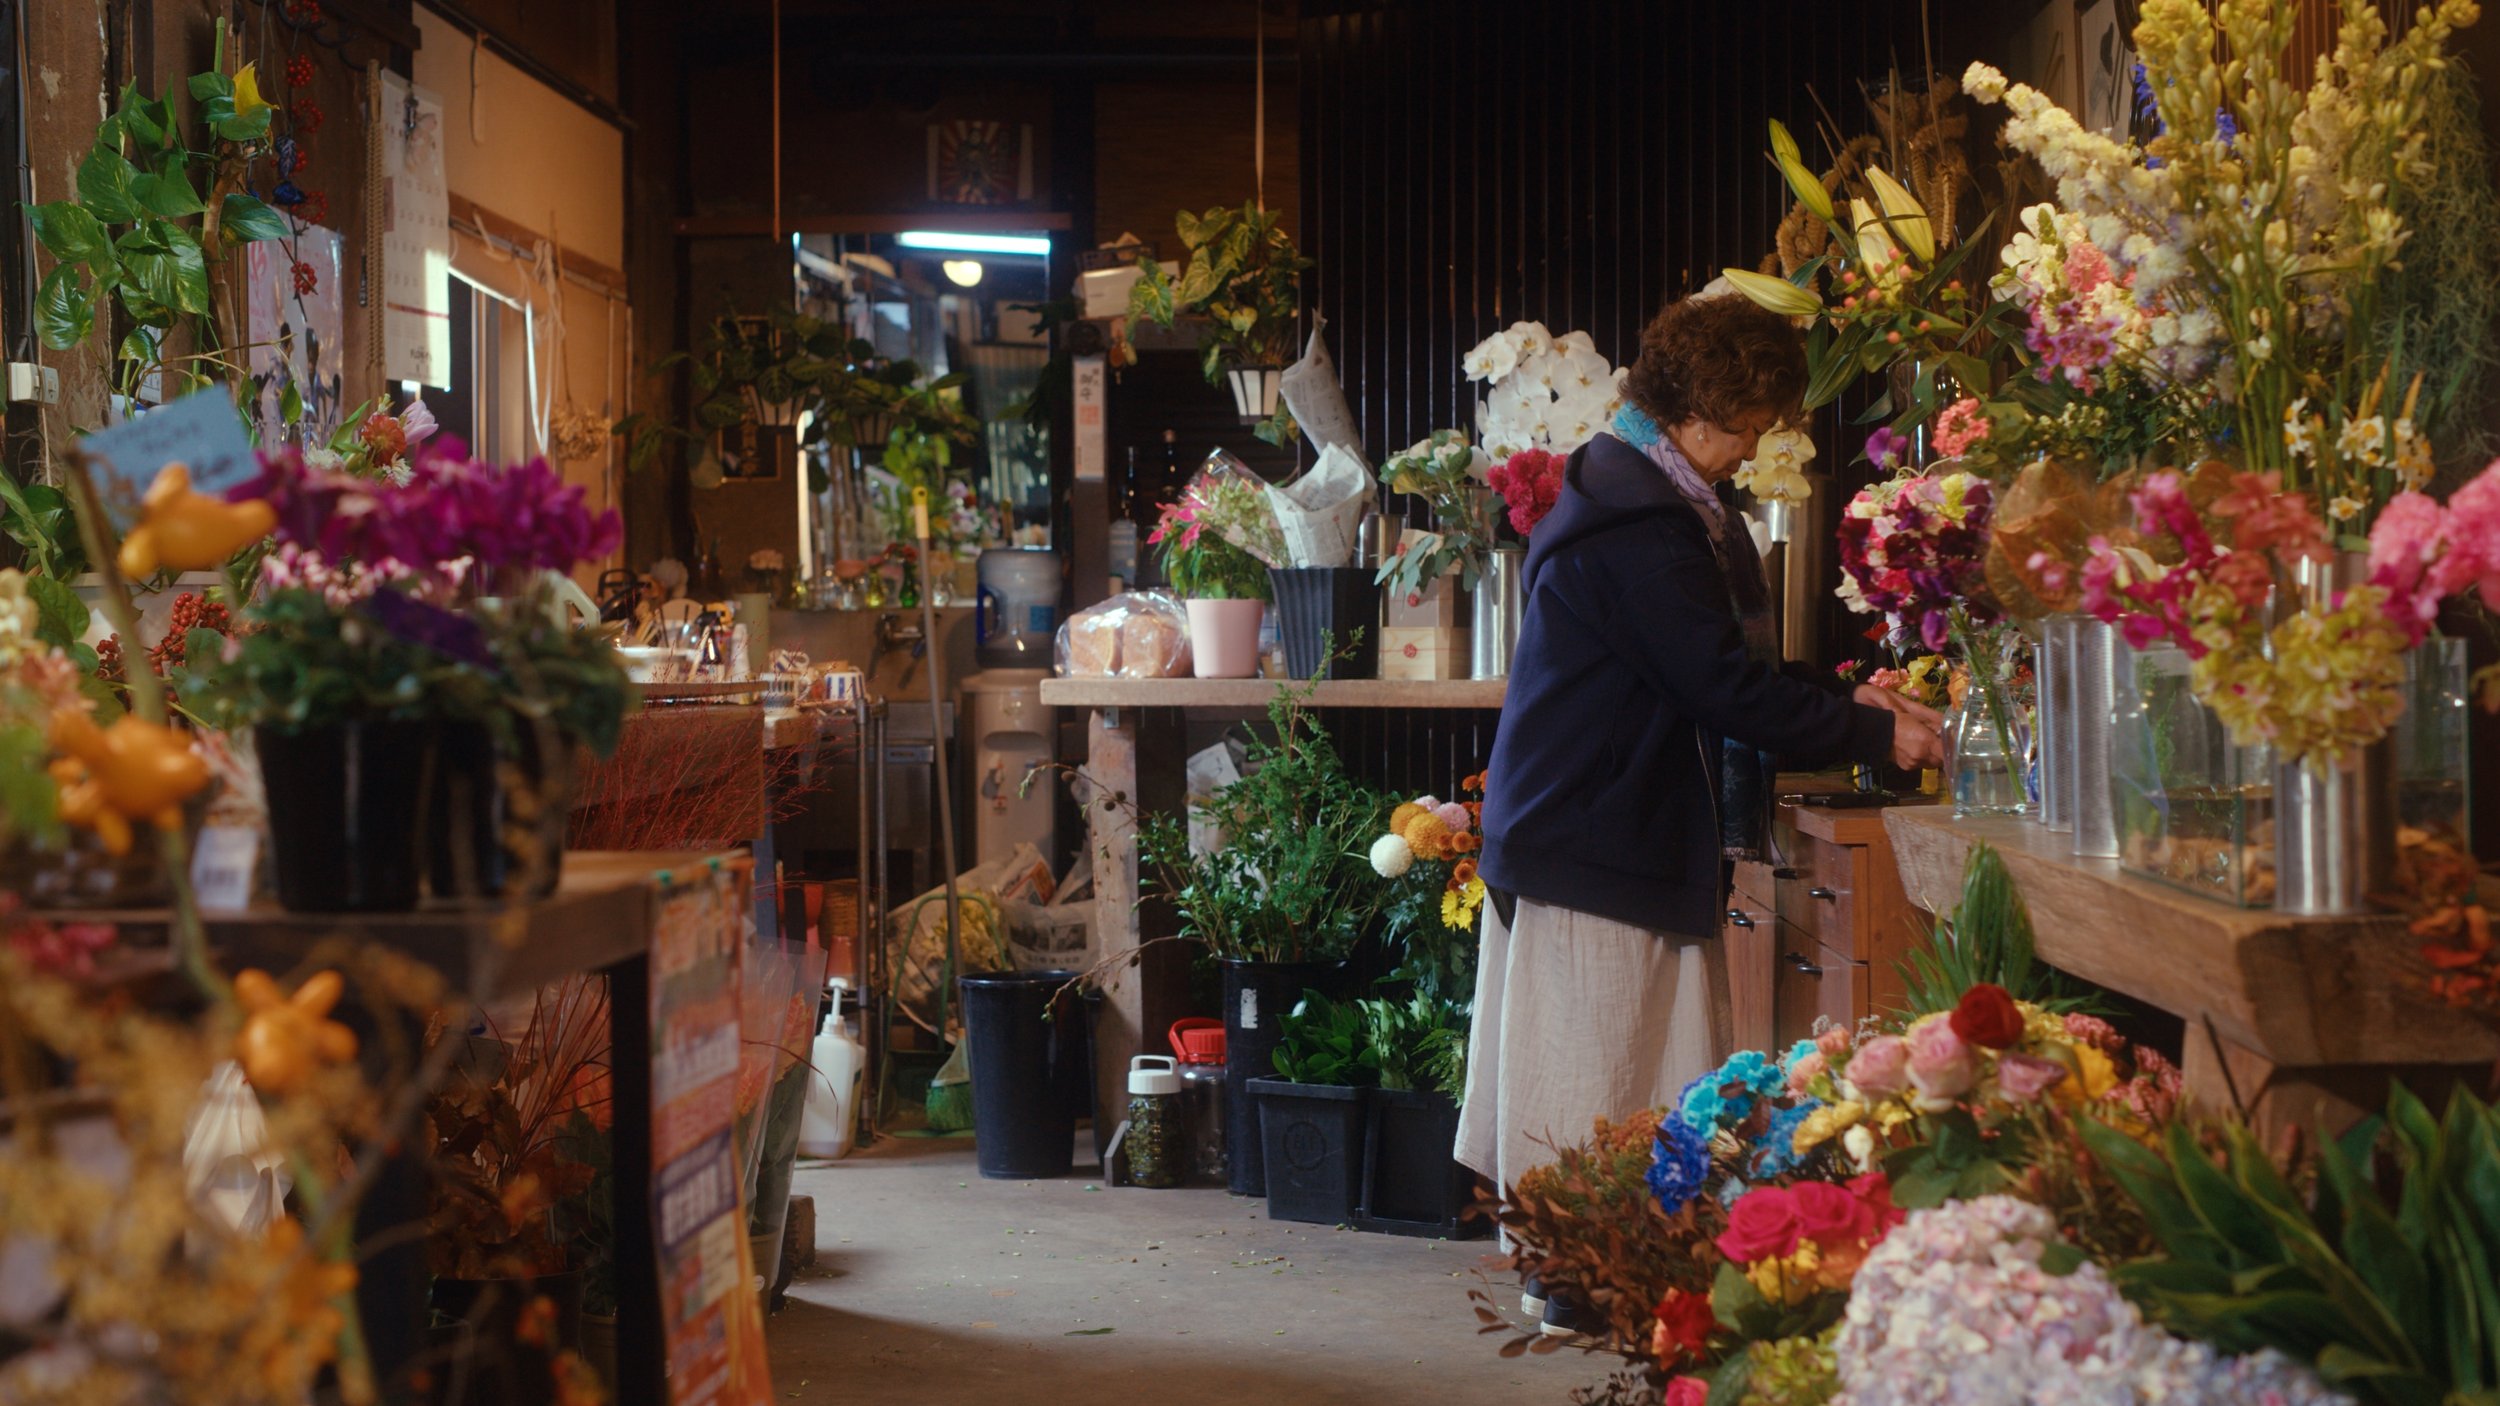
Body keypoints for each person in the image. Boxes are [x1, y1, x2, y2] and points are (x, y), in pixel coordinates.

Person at [1457, 292, 1944, 1333]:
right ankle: (1576, 1277)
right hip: (1590, 834)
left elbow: (1719, 663)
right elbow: (1721, 687)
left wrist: (1849, 698)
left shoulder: (1638, 489)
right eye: (1748, 425)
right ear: (1698, 412)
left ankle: (1601, 1271)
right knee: (1597, 1071)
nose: (1752, 447)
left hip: (1590, 822)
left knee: (1621, 1064)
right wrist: (1873, 735)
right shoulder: (1641, 524)